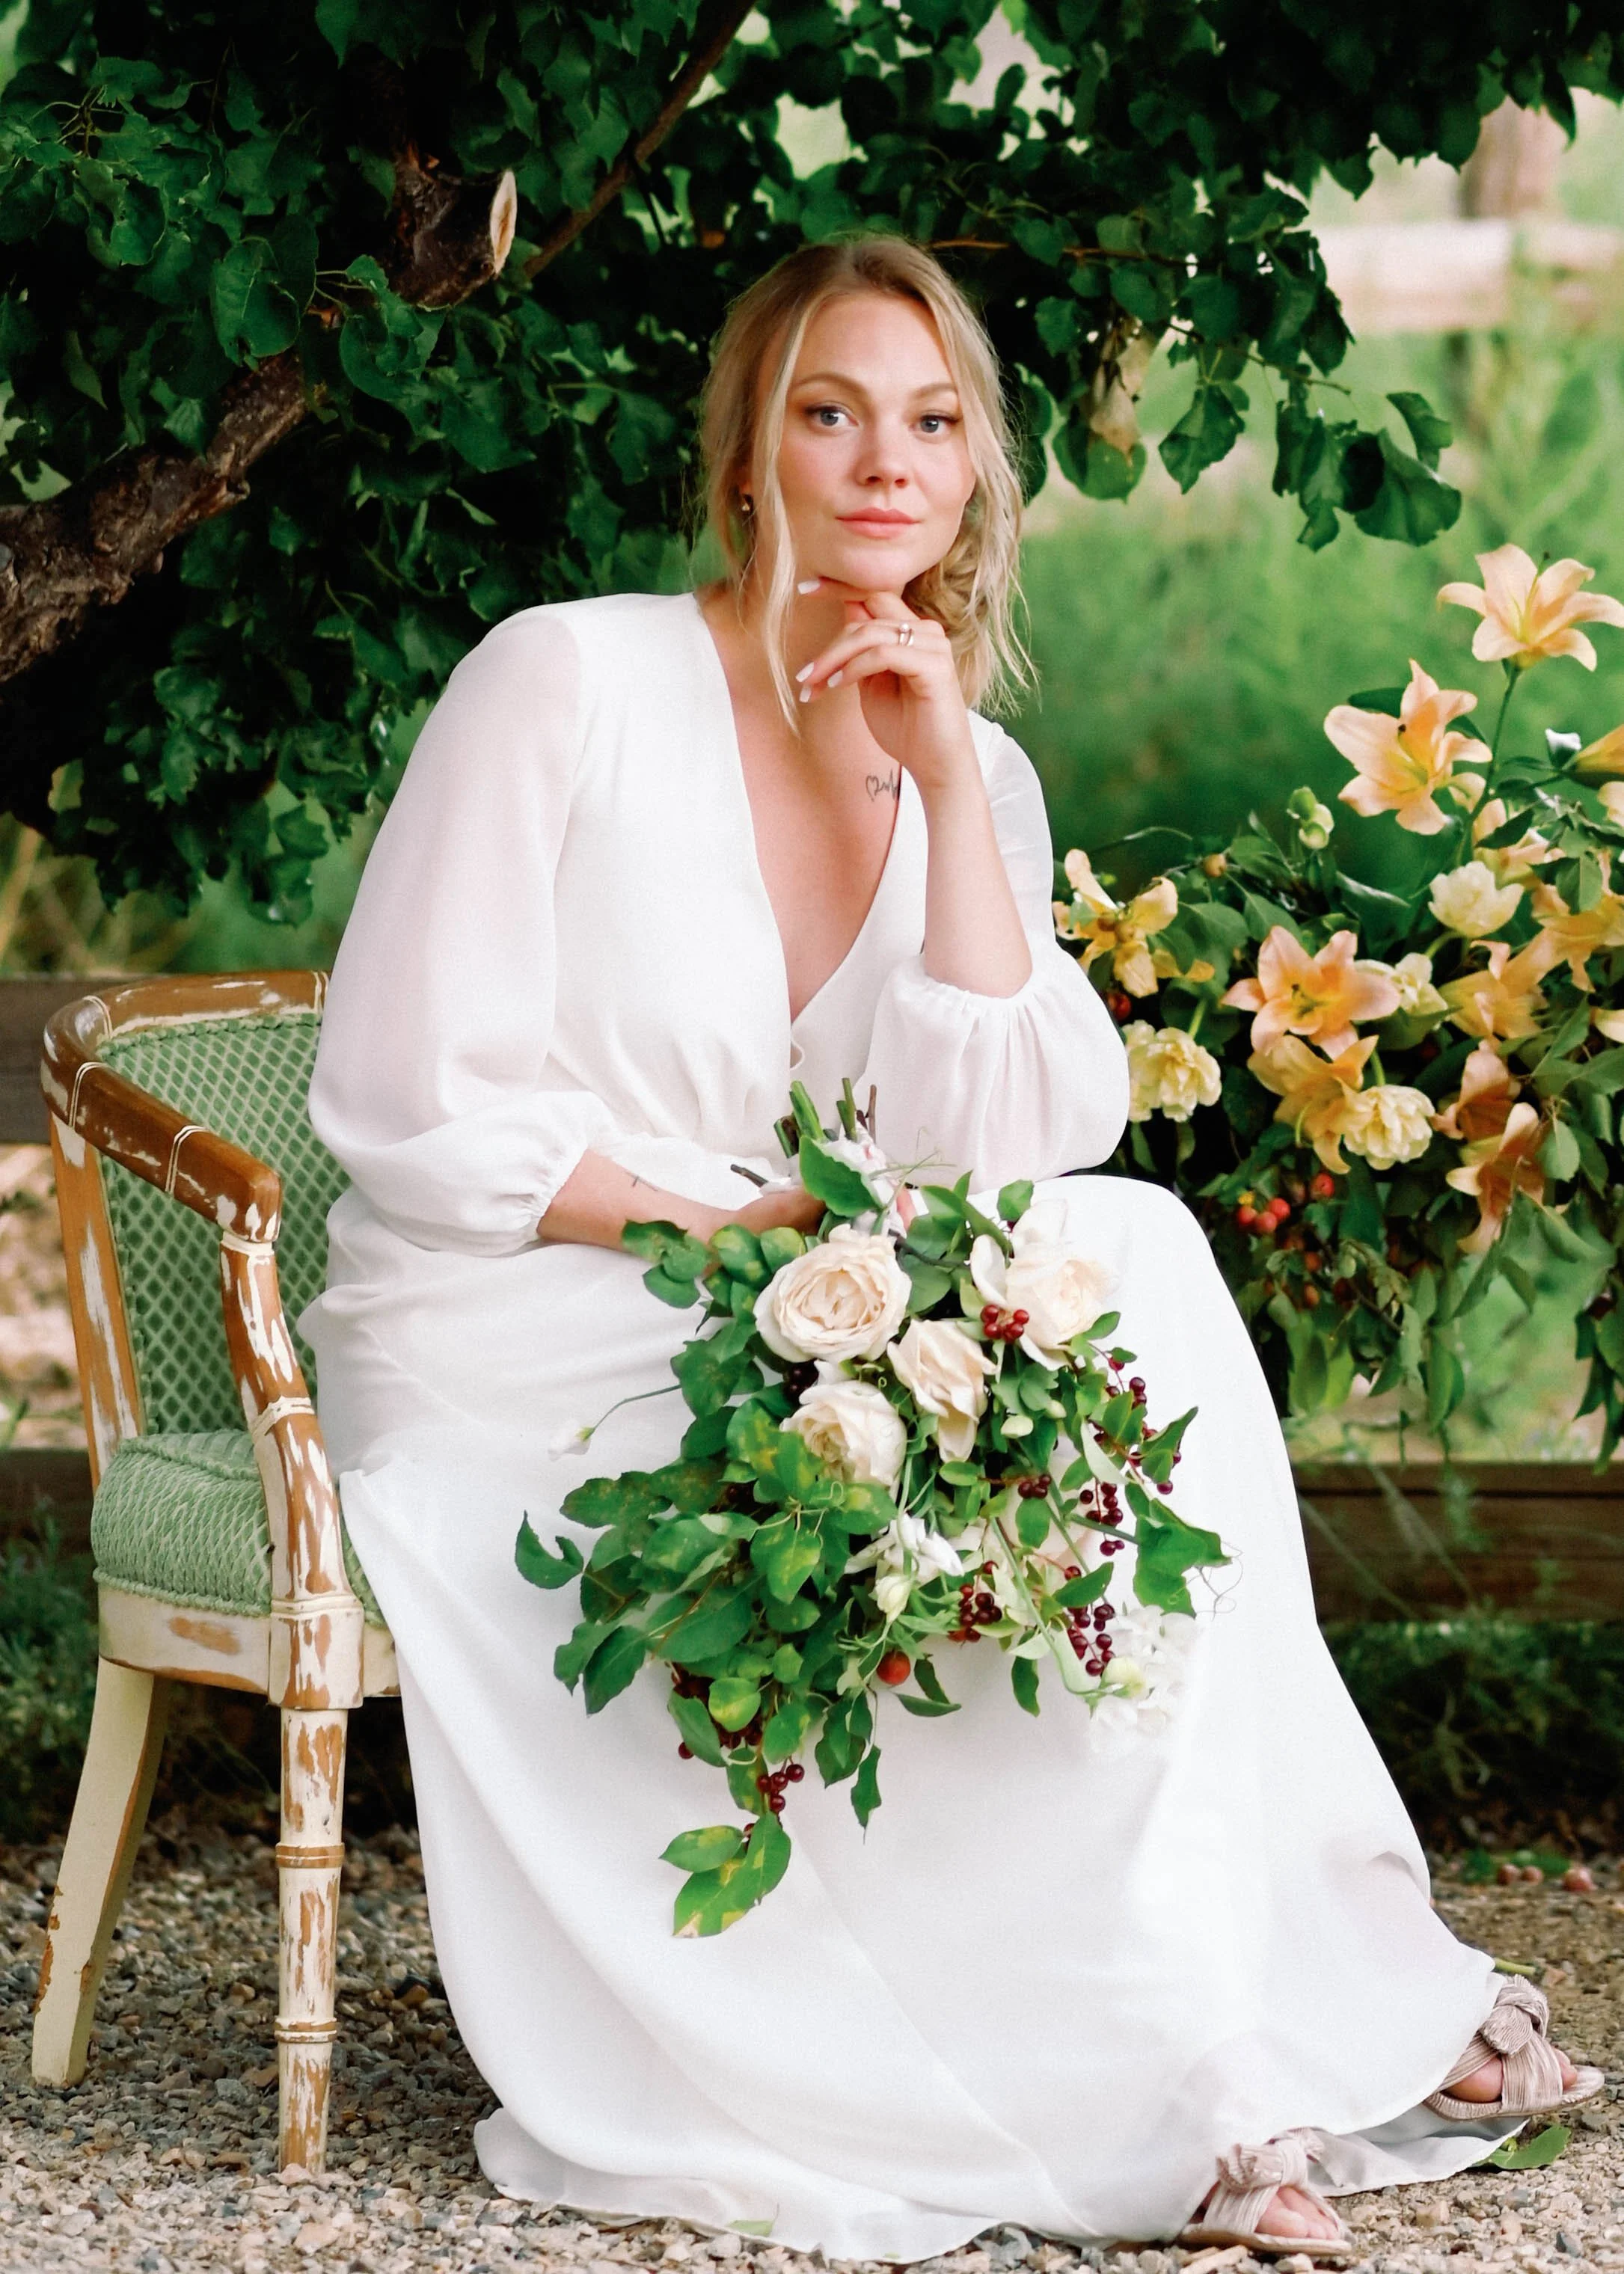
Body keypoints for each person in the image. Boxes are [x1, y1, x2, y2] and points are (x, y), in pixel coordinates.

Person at [301, 237, 1597, 2262]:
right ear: (752, 452)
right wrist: (722, 1224)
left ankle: (1249, 2026)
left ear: (982, 472)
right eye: (830, 412)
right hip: (522, 1296)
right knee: (1016, 1360)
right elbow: (405, 1096)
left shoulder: (965, 760)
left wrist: (950, 804)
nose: (881, 464)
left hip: (805, 1298)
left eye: (933, 422)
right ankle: (1171, 2074)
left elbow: (1013, 1140)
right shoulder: (568, 675)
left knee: (1137, 1259)